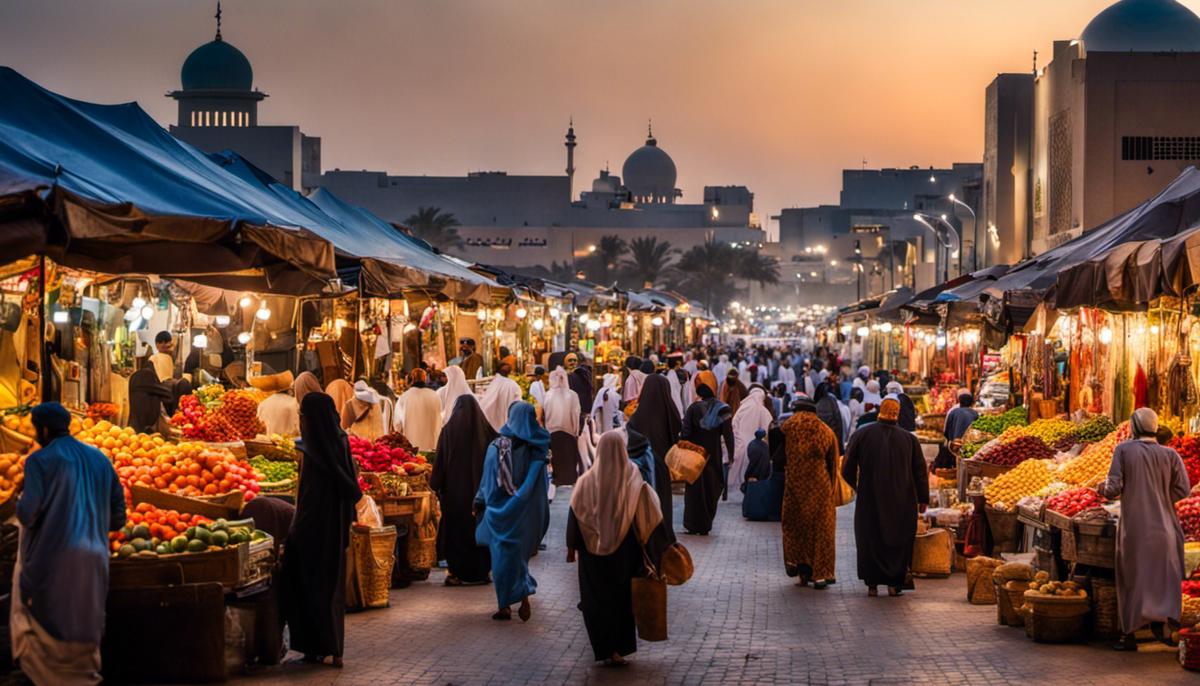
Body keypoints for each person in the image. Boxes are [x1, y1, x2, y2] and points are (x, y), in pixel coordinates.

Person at [12, 403, 125, 685]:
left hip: (53, 559)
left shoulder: (39, 460)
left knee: (47, 625)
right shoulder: (100, 457)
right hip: (96, 559)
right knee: (85, 624)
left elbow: (28, 514)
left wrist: (19, 495)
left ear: (44, 429)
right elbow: (118, 519)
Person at [566, 430, 664, 666]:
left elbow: (574, 517)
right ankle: (619, 648)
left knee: (596, 600)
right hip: (625, 554)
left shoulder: (585, 482)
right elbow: (650, 513)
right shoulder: (633, 479)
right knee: (621, 600)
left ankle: (604, 647)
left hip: (591, 556)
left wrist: (572, 547)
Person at [1099, 408, 1191, 651]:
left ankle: (1128, 634)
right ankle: (1164, 625)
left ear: (1134, 427)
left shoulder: (1124, 450)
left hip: (1137, 528)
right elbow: (1184, 490)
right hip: (1166, 529)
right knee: (1165, 578)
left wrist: (1101, 487)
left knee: (1133, 579)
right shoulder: (1170, 454)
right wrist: (1161, 498)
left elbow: (1112, 488)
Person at [280, 392, 361, 667]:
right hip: (335, 529)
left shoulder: (312, 449)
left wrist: (293, 532)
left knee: (305, 586)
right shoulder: (339, 440)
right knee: (330, 587)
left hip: (310, 530)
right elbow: (350, 484)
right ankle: (333, 648)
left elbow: (307, 499)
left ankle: (313, 646)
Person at [842, 397, 929, 597]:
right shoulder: (909, 439)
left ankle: (872, 584)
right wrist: (922, 498)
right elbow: (920, 471)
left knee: (870, 537)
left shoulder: (862, 434)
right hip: (902, 499)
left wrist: (858, 486)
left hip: (869, 498)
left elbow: (846, 467)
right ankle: (893, 583)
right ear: (897, 414)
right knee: (898, 538)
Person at [475, 402, 550, 621]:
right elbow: (534, 486)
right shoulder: (537, 448)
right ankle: (522, 595)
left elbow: (487, 481)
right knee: (519, 558)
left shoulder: (496, 446)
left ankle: (505, 604)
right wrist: (519, 501)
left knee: (501, 559)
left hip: (499, 513)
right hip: (525, 514)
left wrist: (480, 500)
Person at [432, 394, 497, 586]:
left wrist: (435, 484)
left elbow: (440, 463)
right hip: (482, 495)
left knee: (456, 532)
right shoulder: (487, 432)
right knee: (479, 531)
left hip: (454, 496)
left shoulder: (448, 431)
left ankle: (456, 573)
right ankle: (483, 572)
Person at [780, 396, 839, 590]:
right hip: (819, 487)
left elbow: (778, 457)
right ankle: (821, 575)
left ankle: (801, 571)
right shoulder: (825, 430)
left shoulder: (787, 427)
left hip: (795, 486)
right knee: (821, 530)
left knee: (796, 527)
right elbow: (833, 465)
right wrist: (831, 489)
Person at [628, 374, 683, 539]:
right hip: (662, 466)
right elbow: (677, 435)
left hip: (642, 468)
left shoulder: (637, 415)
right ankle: (663, 533)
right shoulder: (670, 412)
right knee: (662, 500)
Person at [680, 376, 734, 535]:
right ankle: (706, 524)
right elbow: (728, 434)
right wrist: (731, 454)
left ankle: (692, 524)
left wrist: (684, 448)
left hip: (695, 455)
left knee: (694, 489)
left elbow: (685, 433)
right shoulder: (723, 409)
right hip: (713, 454)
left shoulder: (693, 408)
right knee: (712, 486)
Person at [728, 386, 774, 494]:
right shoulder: (762, 410)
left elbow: (733, 424)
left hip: (741, 443)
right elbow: (769, 428)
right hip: (757, 445)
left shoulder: (743, 407)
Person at [544, 368, 583, 486]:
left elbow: (546, 414)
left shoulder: (548, 395)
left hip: (552, 432)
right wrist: (576, 432)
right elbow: (576, 414)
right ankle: (570, 480)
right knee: (569, 459)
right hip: (569, 432)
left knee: (557, 459)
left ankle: (558, 481)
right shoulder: (572, 395)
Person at [394, 369, 442, 452]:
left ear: (411, 379)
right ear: (425, 379)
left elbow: (397, 425)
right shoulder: (435, 395)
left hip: (411, 447)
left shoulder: (404, 397)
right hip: (432, 446)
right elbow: (441, 420)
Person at [127, 366, 173, 435]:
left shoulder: (135, 379)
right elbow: (168, 397)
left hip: (133, 427)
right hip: (148, 430)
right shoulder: (149, 378)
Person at [479, 364, 524, 432]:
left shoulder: (494, 384)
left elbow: (485, 403)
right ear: (510, 372)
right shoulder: (514, 385)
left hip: (494, 427)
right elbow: (518, 403)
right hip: (509, 425)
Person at [255, 371, 300, 437]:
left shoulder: (263, 403)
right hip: (288, 444)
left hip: (267, 443)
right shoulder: (294, 403)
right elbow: (298, 428)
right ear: (289, 390)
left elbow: (259, 427)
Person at [813, 382, 845, 455]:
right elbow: (838, 423)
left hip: (821, 443)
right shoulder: (832, 400)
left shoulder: (817, 404)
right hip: (832, 440)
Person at [665, 355, 694, 420]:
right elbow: (686, 395)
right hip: (679, 410)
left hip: (670, 411)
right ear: (678, 363)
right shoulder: (682, 374)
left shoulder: (666, 375)